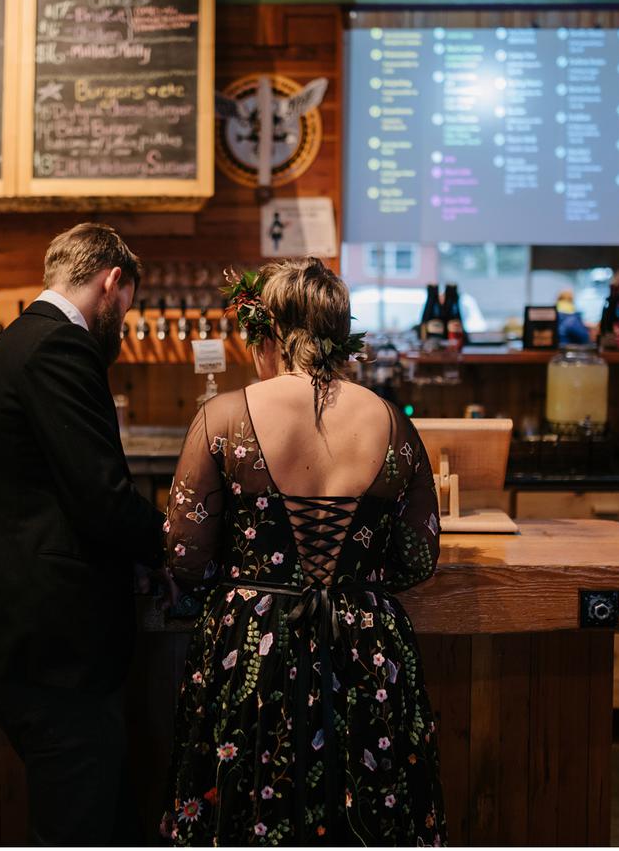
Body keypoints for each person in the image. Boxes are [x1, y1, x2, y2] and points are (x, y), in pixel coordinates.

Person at [160, 258, 447, 846]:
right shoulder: (393, 422)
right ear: (341, 335)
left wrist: (255, 574)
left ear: (267, 334)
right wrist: (352, 579)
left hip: (252, 652)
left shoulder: (223, 416)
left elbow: (185, 554)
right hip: (365, 648)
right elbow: (418, 559)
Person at [0, 222, 170, 845]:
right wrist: (178, 544)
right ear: (111, 281)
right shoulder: (62, 348)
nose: (122, 320)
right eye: (126, 306)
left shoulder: (10, 345)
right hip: (53, 644)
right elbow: (103, 498)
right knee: (79, 829)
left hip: (22, 635)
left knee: (97, 820)